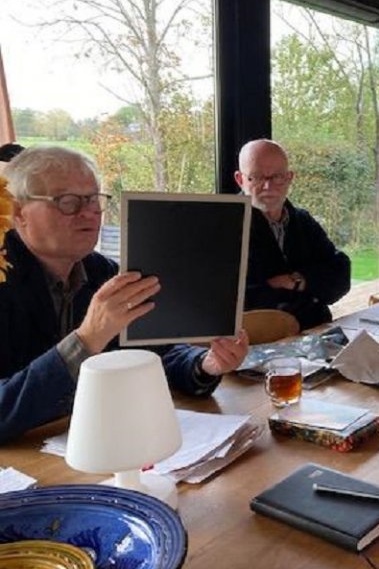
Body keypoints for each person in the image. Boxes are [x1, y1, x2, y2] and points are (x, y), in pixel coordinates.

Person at [0, 146, 249, 444]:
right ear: (18, 213)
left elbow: (160, 352)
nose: (89, 213)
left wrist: (206, 364)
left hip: (97, 446)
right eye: (67, 202)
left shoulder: (102, 272)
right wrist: (87, 340)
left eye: (93, 200)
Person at [236, 139, 351, 330]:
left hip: (313, 334)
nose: (267, 186)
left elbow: (341, 276)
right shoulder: (224, 226)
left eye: (277, 177)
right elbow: (237, 300)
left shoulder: (302, 221)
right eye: (256, 177)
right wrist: (311, 290)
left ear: (289, 177)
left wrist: (294, 281)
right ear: (240, 180)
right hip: (255, 344)